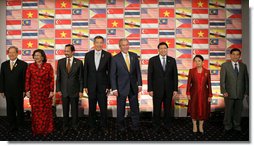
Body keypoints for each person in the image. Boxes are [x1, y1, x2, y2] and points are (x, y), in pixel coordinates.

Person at [110, 38, 142, 132]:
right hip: (120, 88)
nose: (125, 47)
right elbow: (112, 75)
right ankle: (121, 127)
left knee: (135, 108)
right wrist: (114, 89)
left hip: (133, 87)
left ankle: (135, 126)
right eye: (123, 45)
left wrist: (139, 84)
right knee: (121, 109)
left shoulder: (134, 56)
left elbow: (138, 72)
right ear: (120, 47)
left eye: (127, 44)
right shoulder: (115, 58)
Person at [147, 42, 178, 132]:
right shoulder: (152, 60)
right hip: (156, 90)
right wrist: (150, 89)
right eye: (161, 48)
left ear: (167, 49)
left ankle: (167, 126)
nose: (163, 50)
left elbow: (175, 76)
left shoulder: (172, 60)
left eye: (165, 48)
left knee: (168, 109)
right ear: (158, 49)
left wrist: (175, 89)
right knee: (156, 109)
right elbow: (150, 76)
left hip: (169, 90)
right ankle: (156, 126)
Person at [83, 36, 111, 132]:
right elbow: (85, 71)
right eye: (97, 42)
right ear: (94, 43)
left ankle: (104, 126)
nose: (99, 44)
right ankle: (92, 126)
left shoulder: (107, 55)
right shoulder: (88, 55)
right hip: (91, 86)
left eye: (100, 42)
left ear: (103, 44)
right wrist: (85, 85)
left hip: (103, 86)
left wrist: (108, 86)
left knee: (103, 108)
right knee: (91, 107)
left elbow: (110, 72)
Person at [25, 49, 54, 136]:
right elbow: (27, 79)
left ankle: (47, 130)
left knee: (46, 111)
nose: (36, 57)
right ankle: (36, 130)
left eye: (38, 55)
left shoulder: (48, 66)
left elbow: (51, 79)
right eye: (35, 55)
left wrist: (52, 90)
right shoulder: (30, 66)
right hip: (35, 93)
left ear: (42, 56)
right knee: (36, 111)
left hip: (46, 93)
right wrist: (27, 90)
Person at [56, 44, 83, 134]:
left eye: (67, 51)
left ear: (73, 52)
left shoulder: (79, 62)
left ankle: (75, 126)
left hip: (74, 91)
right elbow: (58, 77)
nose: (66, 53)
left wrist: (80, 90)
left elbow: (80, 78)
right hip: (63, 91)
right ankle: (65, 127)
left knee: (75, 111)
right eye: (65, 51)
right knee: (65, 110)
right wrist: (58, 89)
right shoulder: (60, 62)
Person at [220, 48, 249, 133]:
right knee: (228, 110)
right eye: (234, 54)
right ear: (230, 55)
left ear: (239, 56)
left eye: (237, 54)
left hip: (240, 92)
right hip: (228, 93)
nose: (235, 56)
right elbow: (222, 80)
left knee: (238, 110)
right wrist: (224, 91)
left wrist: (246, 92)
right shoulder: (225, 65)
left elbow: (246, 80)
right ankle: (227, 125)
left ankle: (237, 125)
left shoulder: (243, 66)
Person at [0, 46, 27, 133]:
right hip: (8, 91)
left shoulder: (23, 64)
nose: (11, 54)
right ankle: (11, 125)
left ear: (17, 53)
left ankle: (21, 126)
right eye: (9, 52)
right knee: (10, 109)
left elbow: (24, 79)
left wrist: (24, 90)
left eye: (13, 52)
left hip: (19, 91)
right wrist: (1, 90)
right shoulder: (4, 64)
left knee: (19, 109)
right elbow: (2, 78)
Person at [186, 55, 212, 134]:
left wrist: (210, 95)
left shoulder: (207, 72)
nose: (197, 62)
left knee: (203, 109)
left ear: (203, 62)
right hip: (194, 94)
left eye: (199, 61)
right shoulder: (191, 71)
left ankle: (201, 125)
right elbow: (188, 83)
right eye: (195, 61)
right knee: (194, 109)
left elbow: (209, 84)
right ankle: (194, 125)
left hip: (204, 94)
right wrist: (188, 93)